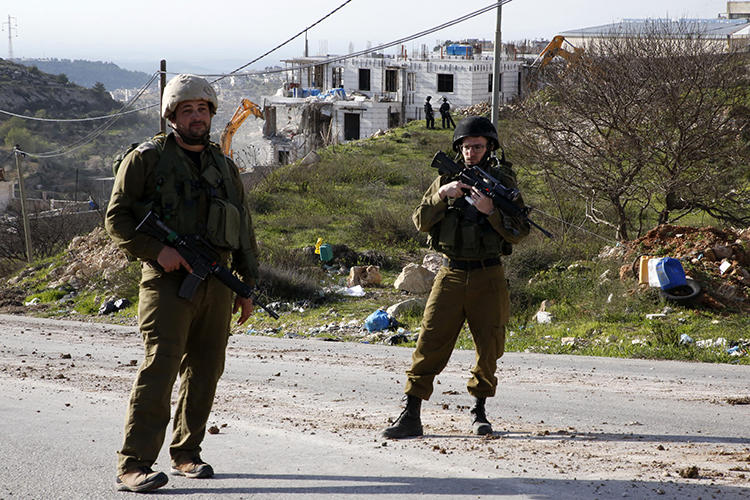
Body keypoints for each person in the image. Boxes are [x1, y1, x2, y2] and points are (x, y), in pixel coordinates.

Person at [105, 74, 260, 493]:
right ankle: (133, 464)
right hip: (168, 280)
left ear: (212, 113)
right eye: (187, 110)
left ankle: (186, 452)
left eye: (202, 109)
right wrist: (159, 252)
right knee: (161, 368)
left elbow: (243, 228)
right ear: (172, 115)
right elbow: (116, 220)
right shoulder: (147, 159)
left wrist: (247, 286)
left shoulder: (224, 166)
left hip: (216, 280)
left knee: (206, 369)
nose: (196, 117)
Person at [381, 116, 529, 439]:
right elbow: (420, 220)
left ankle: (479, 412)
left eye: (477, 147)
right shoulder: (445, 179)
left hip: (488, 273)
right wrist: (443, 194)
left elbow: (520, 231)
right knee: (428, 342)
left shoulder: (503, 184)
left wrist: (492, 212)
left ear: (489, 148)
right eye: (465, 147)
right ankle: (411, 415)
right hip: (449, 273)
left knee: (489, 346)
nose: (471, 153)